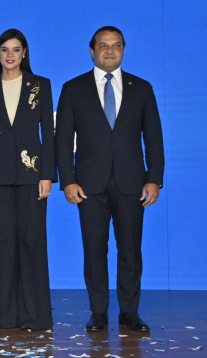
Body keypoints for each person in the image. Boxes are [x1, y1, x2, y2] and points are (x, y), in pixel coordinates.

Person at [56, 26, 164, 333]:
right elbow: (62, 140)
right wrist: (68, 181)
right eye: (103, 46)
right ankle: (98, 313)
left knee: (130, 249)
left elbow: (153, 138)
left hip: (132, 183)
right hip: (88, 185)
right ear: (92, 51)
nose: (109, 51)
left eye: (116, 45)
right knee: (94, 249)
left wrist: (154, 178)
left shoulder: (141, 88)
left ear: (123, 50)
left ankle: (130, 312)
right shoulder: (73, 89)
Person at [0, 29, 55, 330]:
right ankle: (7, 316)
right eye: (5, 49)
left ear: (24, 53)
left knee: (33, 243)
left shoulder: (41, 85)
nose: (10, 54)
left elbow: (49, 133)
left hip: (33, 176)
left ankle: (36, 316)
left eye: (16, 49)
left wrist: (48, 174)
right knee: (2, 244)